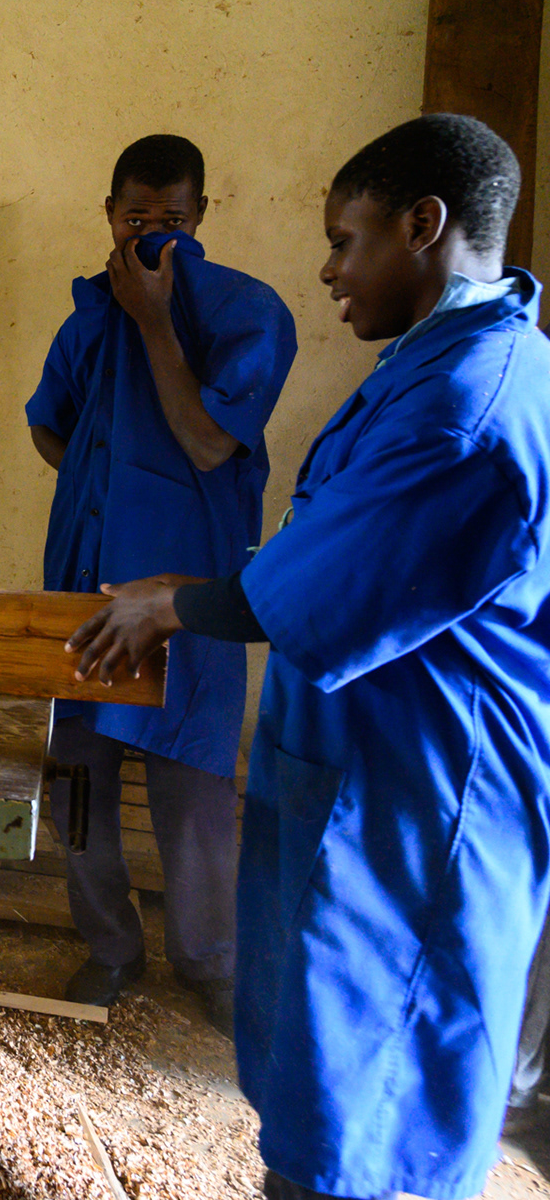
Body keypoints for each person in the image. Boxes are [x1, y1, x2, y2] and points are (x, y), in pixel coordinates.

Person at [68, 114, 550, 1200]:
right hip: (358, 773)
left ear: (423, 225)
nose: (331, 269)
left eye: (349, 239)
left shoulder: (463, 405)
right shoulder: (434, 364)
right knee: (324, 1087)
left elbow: (319, 575)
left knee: (373, 1124)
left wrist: (169, 606)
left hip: (418, 807)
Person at [24, 135, 297, 1028]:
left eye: (171, 220)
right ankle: (110, 947)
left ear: (202, 218)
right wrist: (99, 490)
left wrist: (152, 318)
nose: (151, 236)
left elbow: (211, 441)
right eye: (135, 217)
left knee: (195, 794)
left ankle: (209, 961)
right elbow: (47, 426)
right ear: (107, 214)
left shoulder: (245, 314)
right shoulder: (85, 321)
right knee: (78, 786)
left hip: (188, 606)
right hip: (87, 596)